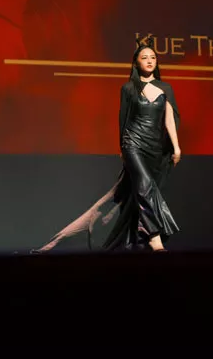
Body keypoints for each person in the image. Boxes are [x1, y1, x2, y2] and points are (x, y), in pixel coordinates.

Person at [34, 34, 182, 253]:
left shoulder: (165, 88)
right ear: (136, 62)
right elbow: (124, 119)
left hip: (155, 148)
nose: (150, 61)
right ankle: (154, 236)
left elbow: (169, 117)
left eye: (153, 57)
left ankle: (57, 243)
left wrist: (176, 147)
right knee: (144, 186)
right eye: (145, 57)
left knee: (123, 198)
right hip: (133, 144)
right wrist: (124, 148)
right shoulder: (129, 88)